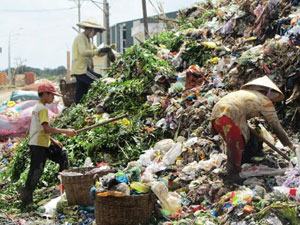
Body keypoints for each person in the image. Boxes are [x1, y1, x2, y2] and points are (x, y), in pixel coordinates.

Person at [211, 76, 295, 181]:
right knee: (237, 145)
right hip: (230, 115)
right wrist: (291, 148)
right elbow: (277, 128)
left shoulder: (247, 94)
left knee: (233, 145)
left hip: (216, 114)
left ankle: (235, 168)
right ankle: (233, 174)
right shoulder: (265, 101)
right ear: (268, 92)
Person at [20, 83, 77, 206]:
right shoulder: (42, 109)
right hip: (38, 145)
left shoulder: (38, 107)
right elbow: (46, 129)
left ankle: (62, 187)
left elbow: (41, 129)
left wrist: (53, 140)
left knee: (62, 156)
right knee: (36, 171)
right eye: (52, 95)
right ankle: (26, 199)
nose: (53, 98)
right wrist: (66, 131)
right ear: (45, 94)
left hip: (42, 143)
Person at [71, 18, 112, 104]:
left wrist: (106, 50)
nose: (95, 34)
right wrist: (98, 51)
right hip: (82, 69)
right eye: (95, 32)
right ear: (91, 29)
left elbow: (97, 52)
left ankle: (78, 107)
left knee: (82, 91)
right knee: (99, 80)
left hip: (83, 69)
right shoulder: (80, 38)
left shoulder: (88, 40)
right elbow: (83, 52)